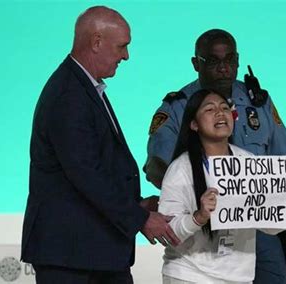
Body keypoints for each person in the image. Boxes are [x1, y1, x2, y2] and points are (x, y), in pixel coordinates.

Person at [21, 6, 179, 284]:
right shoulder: (69, 94)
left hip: (90, 252)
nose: (126, 56)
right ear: (96, 42)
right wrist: (138, 218)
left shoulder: (81, 87)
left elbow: (93, 169)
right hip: (72, 257)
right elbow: (86, 173)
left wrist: (136, 205)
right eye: (122, 46)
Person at [145, 29, 286, 283]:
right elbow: (160, 167)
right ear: (196, 63)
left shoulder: (259, 102)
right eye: (214, 61)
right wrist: (196, 207)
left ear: (238, 60)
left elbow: (283, 164)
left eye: (229, 60)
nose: (224, 68)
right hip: (201, 228)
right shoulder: (178, 106)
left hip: (256, 223)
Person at [158, 89, 286, 283]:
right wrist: (199, 217)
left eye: (225, 108)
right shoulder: (180, 169)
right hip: (190, 275)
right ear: (194, 124)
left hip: (238, 277)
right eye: (210, 109)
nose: (220, 113)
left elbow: (267, 226)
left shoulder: (249, 162)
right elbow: (168, 233)